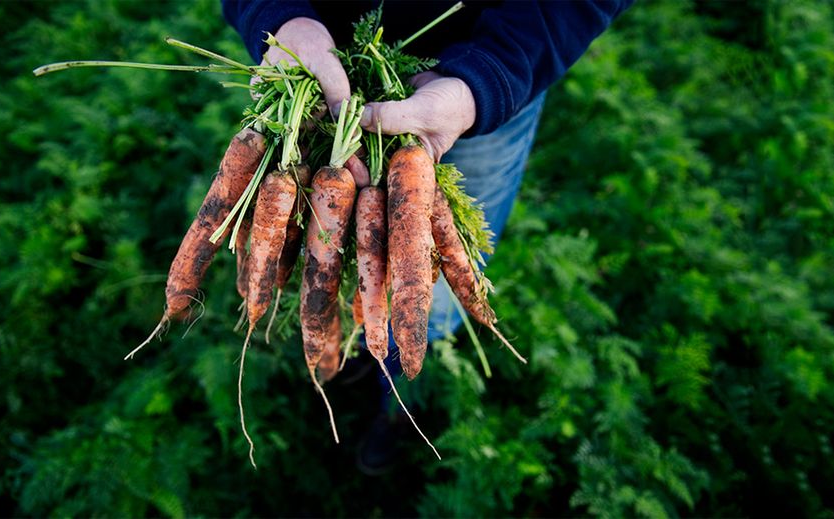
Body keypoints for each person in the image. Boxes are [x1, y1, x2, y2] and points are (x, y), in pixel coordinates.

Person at [223, 0, 634, 473]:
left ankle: (400, 394)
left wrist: (490, 73)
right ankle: (363, 347)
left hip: (476, 74)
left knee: (427, 292)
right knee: (333, 269)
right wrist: (278, 17)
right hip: (313, 72)